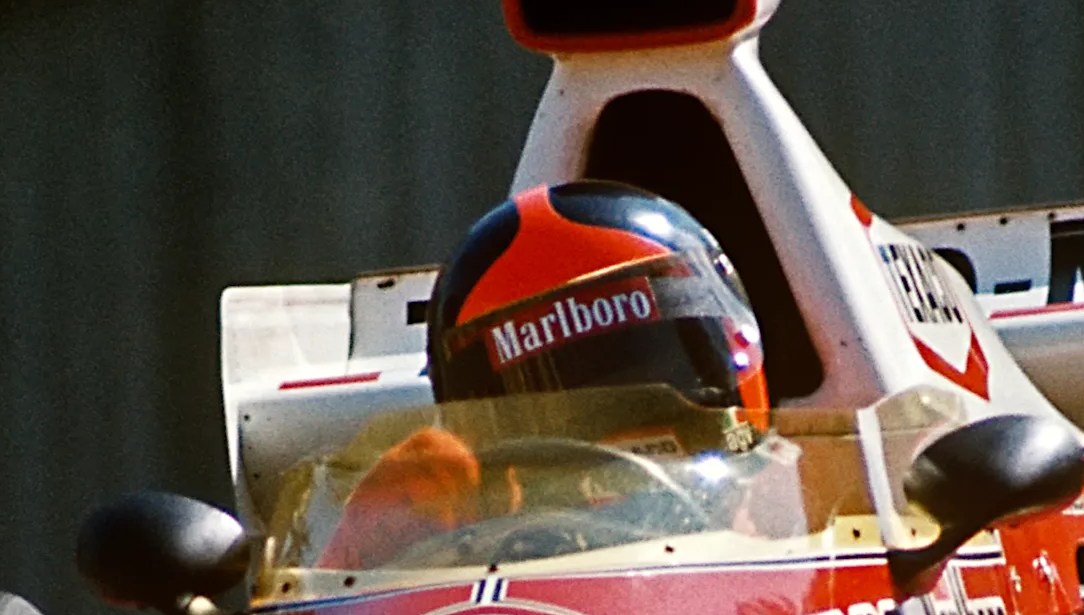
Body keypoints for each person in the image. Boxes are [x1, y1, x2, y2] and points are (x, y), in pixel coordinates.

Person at [321, 182, 777, 569]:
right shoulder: (424, 506)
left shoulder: (809, 509)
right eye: (562, 408)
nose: (619, 425)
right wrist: (382, 543)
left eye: (641, 376)